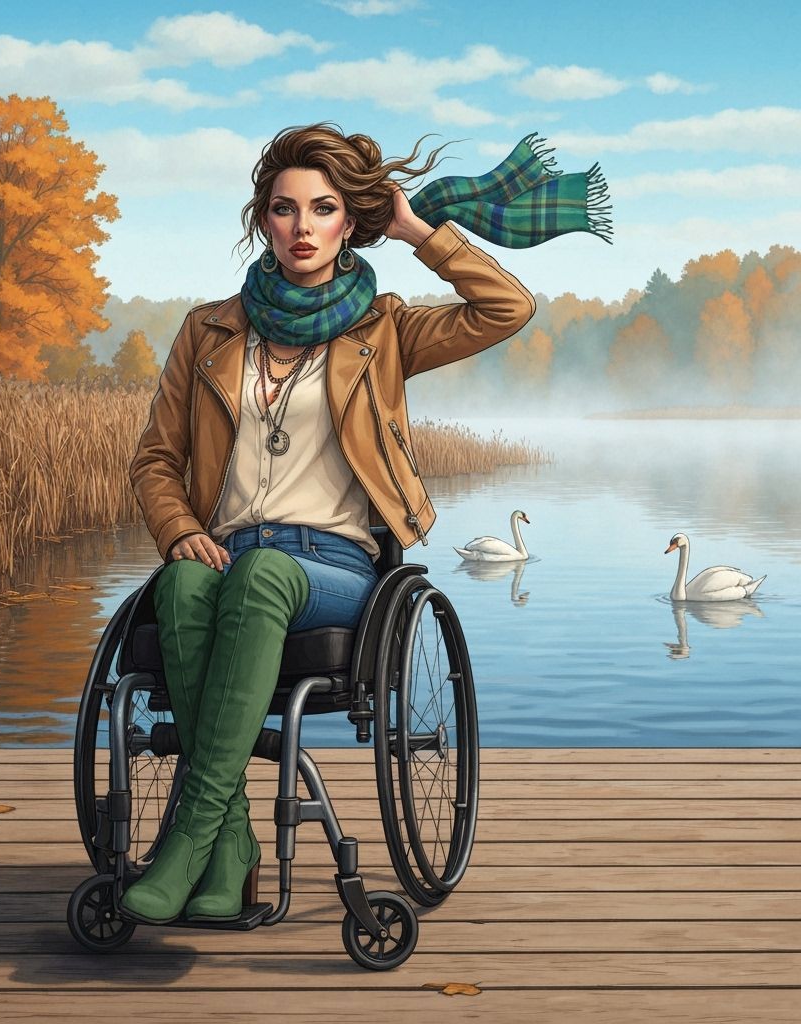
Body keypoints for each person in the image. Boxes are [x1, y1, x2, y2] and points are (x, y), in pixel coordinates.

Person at [121, 123, 605, 925]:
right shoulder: (206, 332)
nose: (302, 226)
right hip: (225, 552)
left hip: (335, 568)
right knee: (183, 583)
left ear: (351, 221)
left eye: (323, 208)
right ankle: (231, 847)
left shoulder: (383, 329)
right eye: (284, 209)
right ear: (262, 219)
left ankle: (187, 840)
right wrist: (178, 532)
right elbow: (154, 462)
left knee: (260, 575)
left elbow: (508, 307)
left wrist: (417, 230)